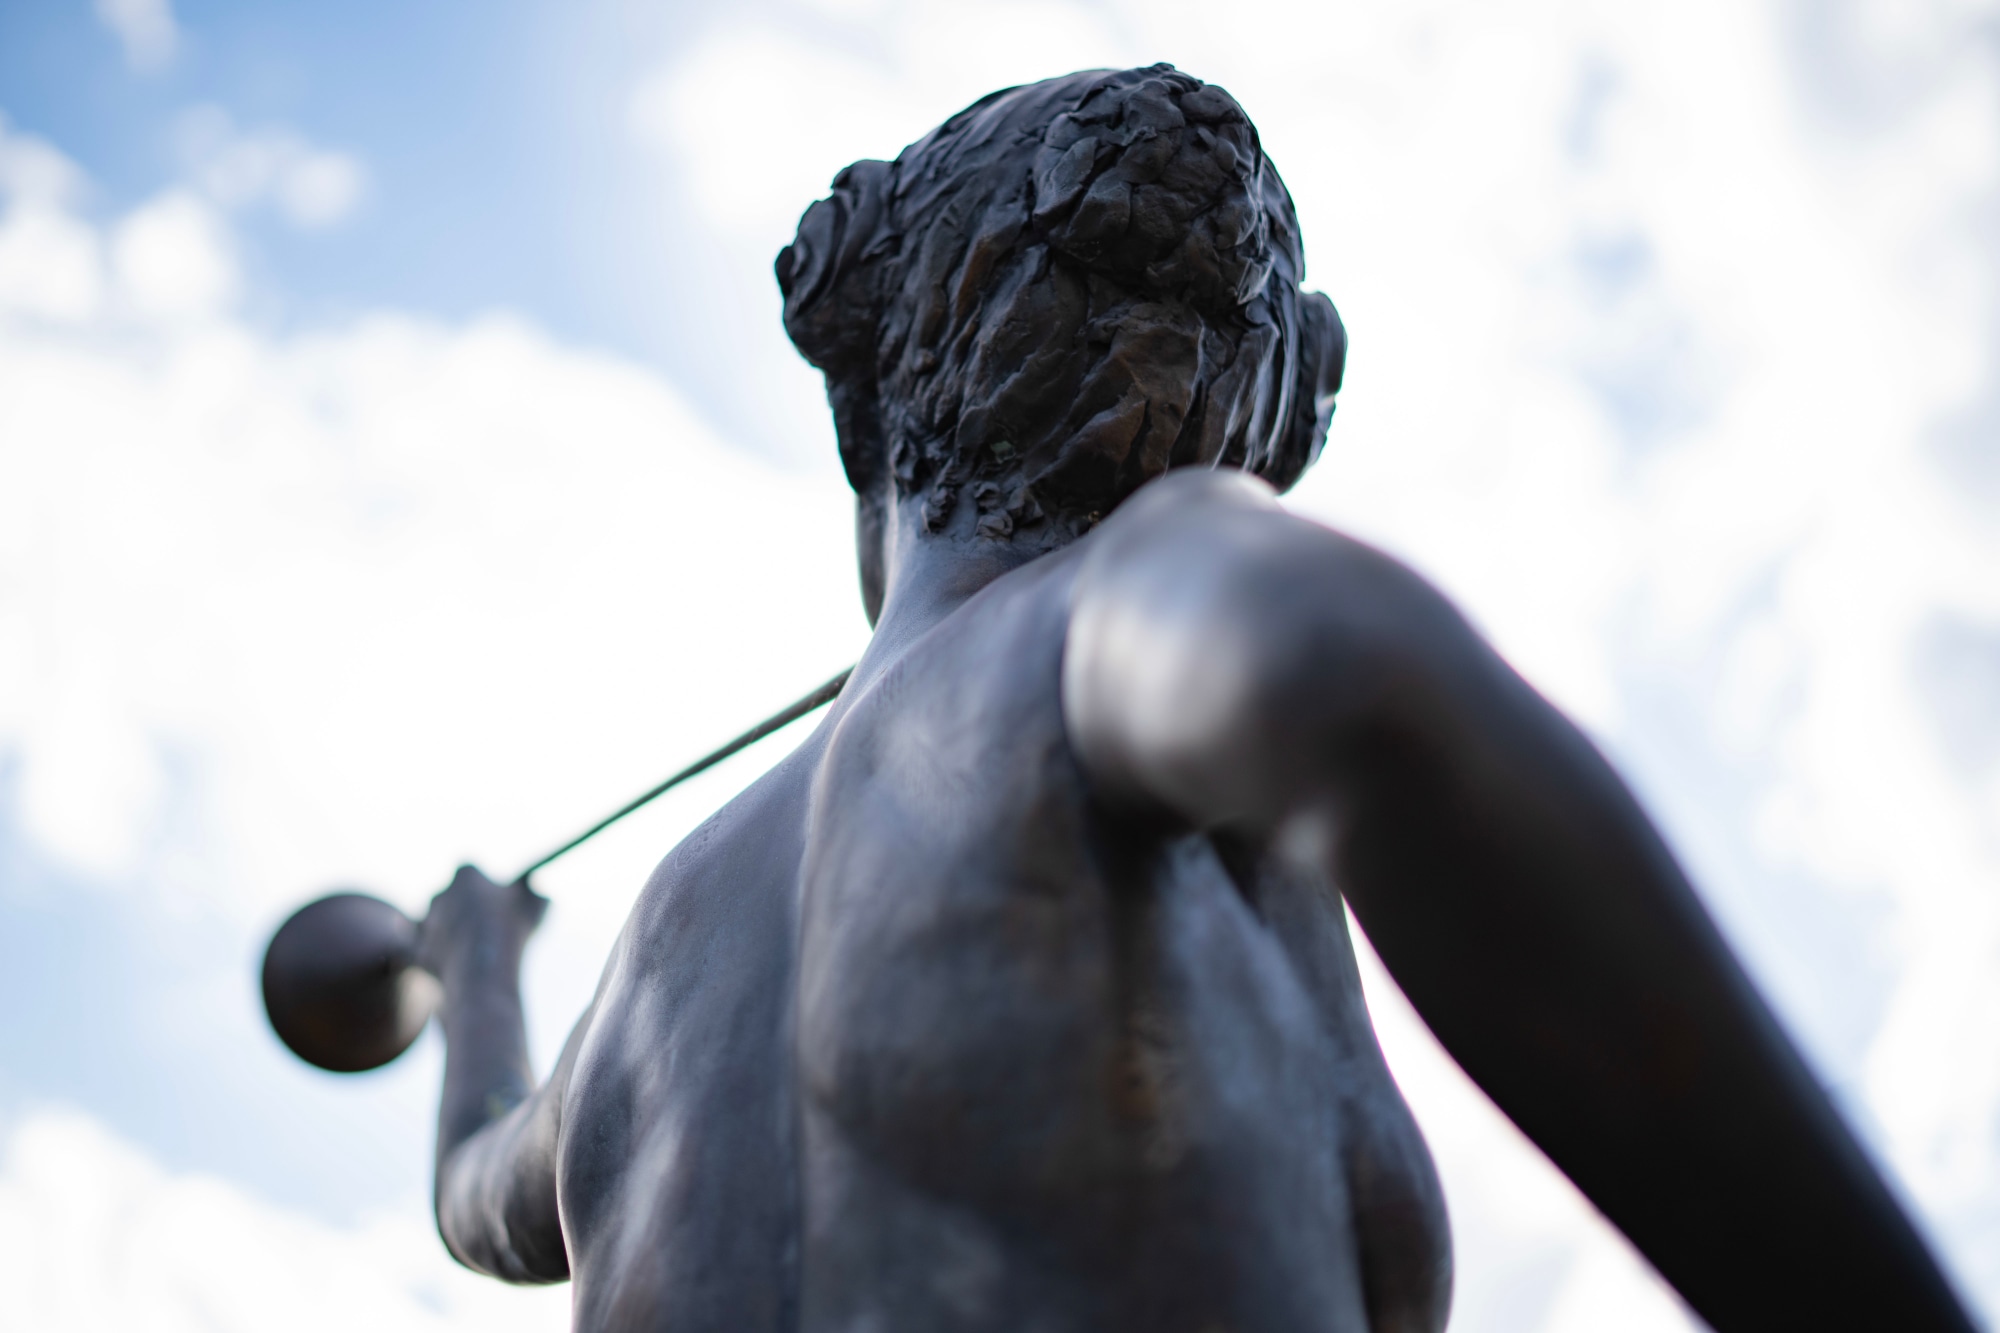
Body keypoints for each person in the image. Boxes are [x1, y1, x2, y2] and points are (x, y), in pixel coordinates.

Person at [417, 65, 1975, 1331]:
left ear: (867, 420)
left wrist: (475, 962)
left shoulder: (657, 951)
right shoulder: (1112, 613)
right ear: (1234, 435)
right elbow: (1351, 669)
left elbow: (477, 1191)